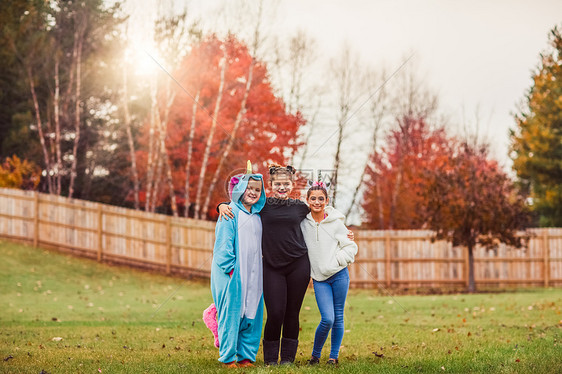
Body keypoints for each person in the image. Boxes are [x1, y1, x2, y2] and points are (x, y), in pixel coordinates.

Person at [218, 164, 355, 365]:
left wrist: (346, 232)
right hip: (272, 267)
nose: (282, 187)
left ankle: (288, 359)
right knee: (275, 312)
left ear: (292, 185)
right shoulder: (262, 206)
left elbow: (324, 210)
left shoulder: (300, 207)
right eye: (278, 184)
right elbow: (242, 203)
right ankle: (271, 359)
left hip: (298, 265)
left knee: (292, 312)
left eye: (286, 184)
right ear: (271, 185)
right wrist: (221, 205)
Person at [210, 164, 266, 368]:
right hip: (233, 274)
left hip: (254, 274)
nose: (253, 192)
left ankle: (246, 356)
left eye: (257, 190)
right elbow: (223, 245)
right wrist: (230, 269)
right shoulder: (230, 212)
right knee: (232, 315)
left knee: (251, 313)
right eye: (249, 188)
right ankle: (228, 357)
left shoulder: (258, 217)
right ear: (241, 189)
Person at [300, 182, 358, 366]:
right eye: (313, 198)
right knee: (327, 318)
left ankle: (333, 357)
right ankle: (315, 356)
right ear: (308, 201)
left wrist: (338, 261)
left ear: (327, 201)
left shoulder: (335, 223)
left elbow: (350, 247)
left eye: (321, 199)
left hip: (340, 275)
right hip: (319, 279)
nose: (317, 202)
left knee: (338, 316)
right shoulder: (303, 224)